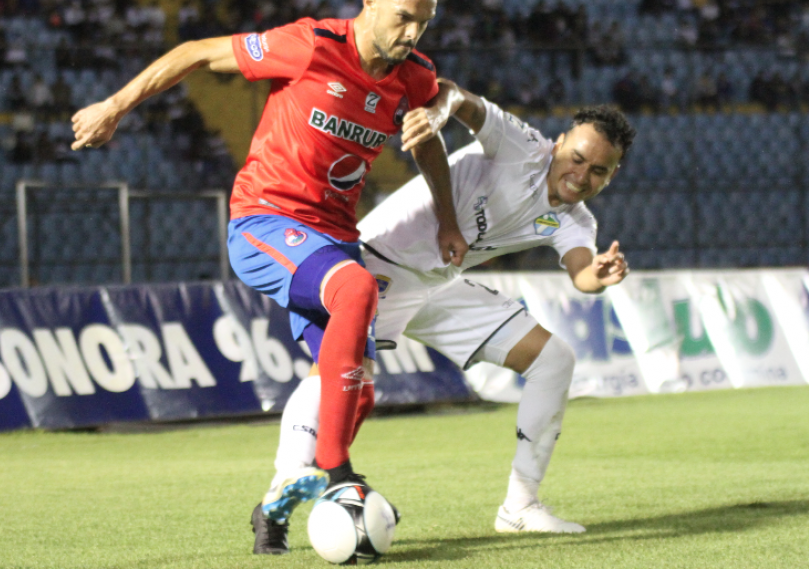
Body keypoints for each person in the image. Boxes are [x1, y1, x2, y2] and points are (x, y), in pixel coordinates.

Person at [69, 0, 468, 552]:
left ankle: (276, 503)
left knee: (354, 391)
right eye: (404, 18)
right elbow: (196, 54)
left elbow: (430, 135)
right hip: (265, 222)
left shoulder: (411, 75)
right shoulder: (311, 45)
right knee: (357, 291)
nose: (412, 34)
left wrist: (448, 217)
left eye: (424, 23)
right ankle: (339, 475)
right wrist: (114, 106)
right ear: (369, 3)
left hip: (331, 241)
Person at [255, 79, 634, 553]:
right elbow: (458, 96)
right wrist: (437, 114)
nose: (582, 175)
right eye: (577, 158)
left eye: (599, 171)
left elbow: (581, 271)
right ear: (558, 144)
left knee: (553, 360)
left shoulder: (577, 220)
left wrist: (599, 275)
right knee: (343, 378)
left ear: (611, 176)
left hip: (438, 283)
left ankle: (520, 507)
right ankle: (283, 485)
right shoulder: (522, 146)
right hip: (379, 263)